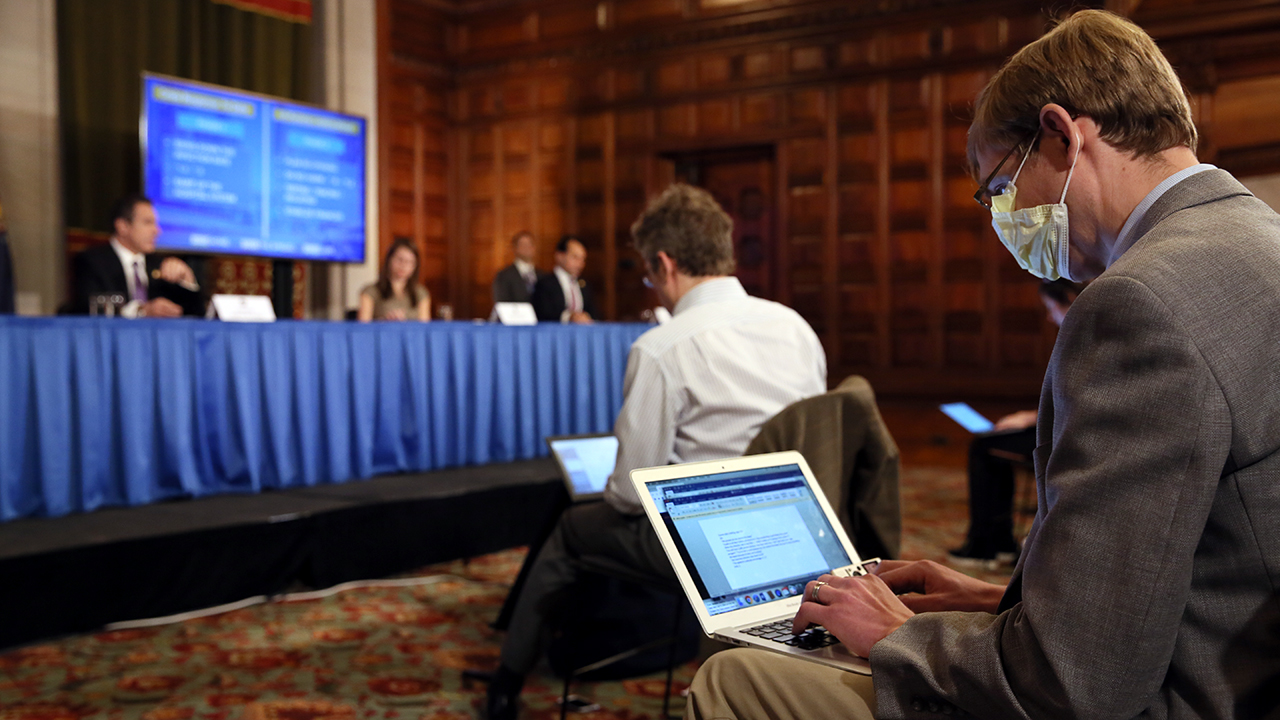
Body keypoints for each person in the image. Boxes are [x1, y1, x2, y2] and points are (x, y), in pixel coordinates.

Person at [684, 10, 1280, 720]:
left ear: (1062, 135)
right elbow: (1192, 556)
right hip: (1245, 671)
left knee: (737, 676)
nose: (1002, 217)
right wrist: (991, 599)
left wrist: (901, 633)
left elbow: (1077, 686)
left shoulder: (1138, 302)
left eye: (998, 187)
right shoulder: (1258, 239)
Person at [486, 184, 827, 720]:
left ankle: (505, 683)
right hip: (803, 538)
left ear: (665, 264)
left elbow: (626, 494)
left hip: (712, 553)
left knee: (572, 528)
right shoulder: (797, 328)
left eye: (649, 276)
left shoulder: (663, 347)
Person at [947, 279, 1080, 568]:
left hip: (1070, 434)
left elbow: (1078, 400)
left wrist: (1030, 418)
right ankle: (1000, 542)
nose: (1049, 316)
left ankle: (984, 545)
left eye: (1051, 307)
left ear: (1069, 298)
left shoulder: (1082, 335)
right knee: (991, 443)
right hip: (1065, 426)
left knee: (984, 447)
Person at [70, 194, 200, 317]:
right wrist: (142, 311)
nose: (156, 230)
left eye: (155, 223)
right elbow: (88, 307)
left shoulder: (160, 264)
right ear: (123, 226)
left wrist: (187, 279)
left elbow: (196, 315)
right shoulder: (92, 261)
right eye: (148, 223)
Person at [358, 238, 431, 322]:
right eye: (400, 259)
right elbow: (363, 328)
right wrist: (385, 321)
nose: (403, 265)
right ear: (389, 260)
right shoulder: (370, 291)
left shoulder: (421, 293)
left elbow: (425, 327)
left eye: (409, 262)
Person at [530, 235, 598, 323]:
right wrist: (569, 317)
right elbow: (542, 313)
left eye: (583, 259)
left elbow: (594, 313)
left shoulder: (584, 285)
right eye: (575, 257)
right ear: (560, 256)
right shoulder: (544, 284)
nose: (580, 264)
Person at [492, 230, 541, 304]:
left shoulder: (543, 275)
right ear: (515, 248)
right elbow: (502, 304)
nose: (527, 248)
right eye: (523, 244)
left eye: (530, 244)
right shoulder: (504, 275)